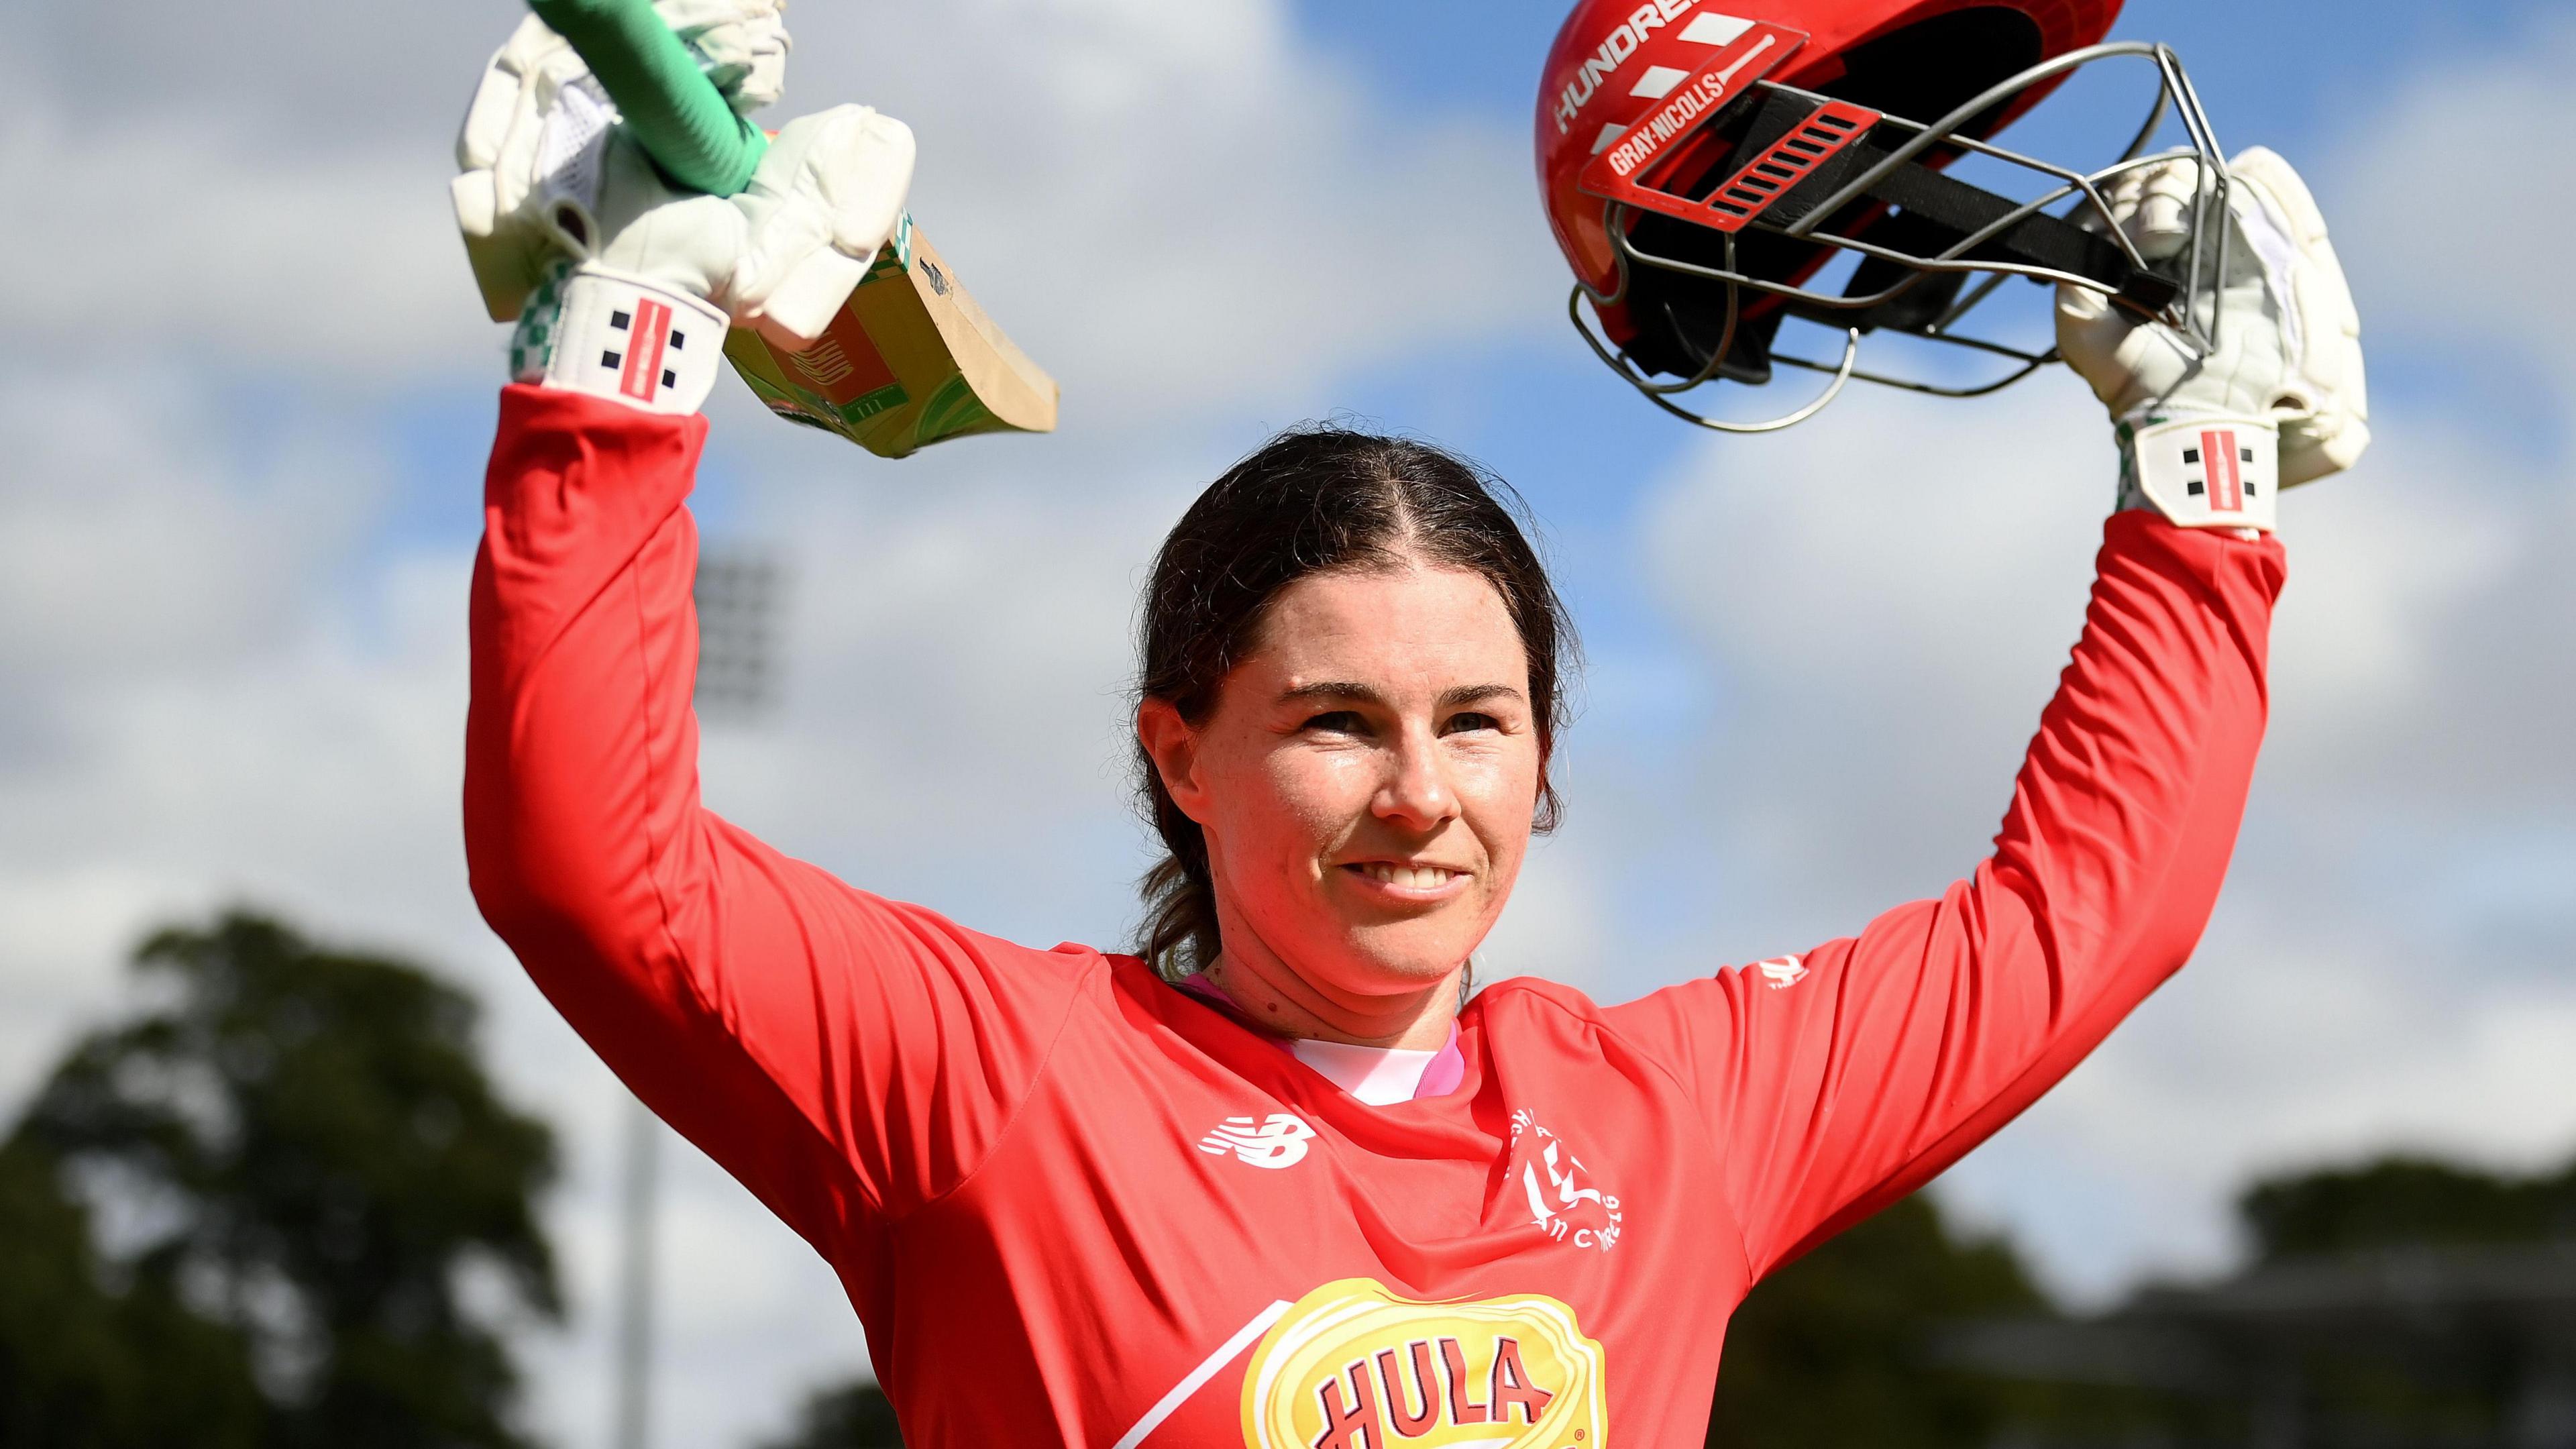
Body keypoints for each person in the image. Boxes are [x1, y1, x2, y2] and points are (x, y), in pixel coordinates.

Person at [454, 16, 2363, 1448]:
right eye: (1335, 722)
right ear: (1180, 755)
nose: (1421, 797)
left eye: (1478, 721)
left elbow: (2083, 918)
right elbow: (595, 871)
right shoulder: (1008, 1089)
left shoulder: (1663, 1116)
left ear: (1545, 763)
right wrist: (625, 350)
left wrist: (2202, 487)